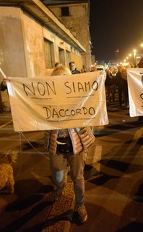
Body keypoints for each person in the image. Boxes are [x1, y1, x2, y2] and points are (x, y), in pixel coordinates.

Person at [44, 65, 90, 224]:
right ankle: (60, 186)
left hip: (76, 145)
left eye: (65, 77)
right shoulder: (45, 98)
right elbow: (24, 100)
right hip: (57, 146)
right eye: (57, 78)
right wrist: (8, 86)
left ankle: (80, 205)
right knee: (57, 175)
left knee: (78, 177)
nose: (61, 81)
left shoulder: (79, 96)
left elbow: (94, 99)